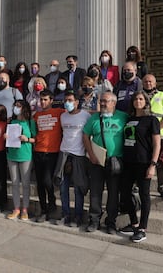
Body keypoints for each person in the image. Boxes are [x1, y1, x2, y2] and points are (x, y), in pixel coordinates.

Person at [83, 92, 128, 234]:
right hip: (96, 161)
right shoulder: (94, 118)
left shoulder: (123, 117)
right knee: (95, 192)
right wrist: (91, 155)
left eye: (106, 101)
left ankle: (111, 222)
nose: (102, 103)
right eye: (101, 101)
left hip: (115, 162)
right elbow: (85, 136)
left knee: (114, 193)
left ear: (114, 103)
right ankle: (94, 220)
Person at [119, 91, 161, 243]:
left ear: (146, 101)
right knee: (124, 192)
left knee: (144, 195)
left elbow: (157, 143)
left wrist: (153, 164)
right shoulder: (129, 119)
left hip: (144, 162)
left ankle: (142, 228)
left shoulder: (151, 120)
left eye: (141, 99)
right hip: (128, 162)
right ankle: (134, 223)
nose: (138, 101)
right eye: (136, 99)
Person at [57, 90, 91, 226]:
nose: (67, 103)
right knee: (63, 187)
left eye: (70, 100)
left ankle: (78, 216)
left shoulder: (86, 116)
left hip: (79, 155)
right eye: (66, 100)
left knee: (78, 188)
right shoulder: (63, 117)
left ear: (77, 102)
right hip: (64, 154)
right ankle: (65, 214)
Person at [33, 89, 64, 222]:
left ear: (51, 100)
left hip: (52, 152)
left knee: (47, 180)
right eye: (41, 100)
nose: (43, 102)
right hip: (38, 151)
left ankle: (52, 204)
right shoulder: (37, 115)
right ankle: (43, 210)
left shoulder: (59, 113)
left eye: (45, 99)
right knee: (40, 183)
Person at [142, 74, 163, 199]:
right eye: (145, 81)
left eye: (150, 81)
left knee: (161, 163)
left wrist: (157, 128)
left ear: (155, 83)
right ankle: (138, 185)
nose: (148, 83)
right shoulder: (139, 96)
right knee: (142, 161)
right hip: (143, 135)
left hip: (159, 135)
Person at [6, 100, 37, 221]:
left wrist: (27, 139)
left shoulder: (30, 122)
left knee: (25, 183)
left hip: (25, 155)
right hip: (12, 155)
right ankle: (16, 208)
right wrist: (6, 137)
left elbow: (35, 139)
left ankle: (25, 209)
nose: (16, 108)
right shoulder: (11, 121)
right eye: (15, 106)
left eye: (18, 106)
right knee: (14, 182)